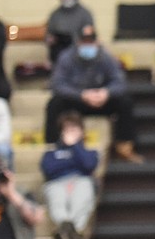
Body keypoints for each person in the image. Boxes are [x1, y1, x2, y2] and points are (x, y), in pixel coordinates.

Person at [44, 24, 143, 163]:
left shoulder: (105, 57)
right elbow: (58, 85)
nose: (88, 45)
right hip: (77, 101)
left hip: (101, 101)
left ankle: (124, 145)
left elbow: (120, 82)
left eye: (91, 41)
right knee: (54, 104)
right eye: (84, 41)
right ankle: (53, 148)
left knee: (125, 101)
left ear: (97, 42)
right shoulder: (66, 58)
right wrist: (81, 95)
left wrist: (106, 93)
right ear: (78, 42)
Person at [39, 110, 99, 239]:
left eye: (74, 129)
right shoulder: (51, 152)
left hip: (81, 181)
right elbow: (49, 169)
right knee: (57, 198)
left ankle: (65, 231)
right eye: (67, 129)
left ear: (81, 131)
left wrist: (75, 147)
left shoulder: (90, 152)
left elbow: (89, 165)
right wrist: (72, 163)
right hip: (57, 182)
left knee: (84, 197)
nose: (70, 132)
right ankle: (69, 228)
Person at [44, 0, 95, 65]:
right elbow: (49, 34)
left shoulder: (84, 14)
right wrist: (50, 39)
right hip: (58, 55)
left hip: (79, 56)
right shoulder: (55, 14)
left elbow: (89, 36)